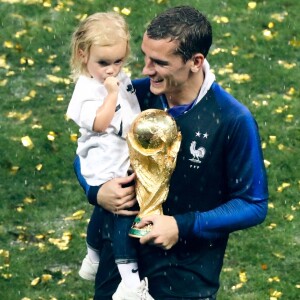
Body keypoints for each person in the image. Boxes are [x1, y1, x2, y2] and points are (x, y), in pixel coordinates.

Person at [74, 6, 268, 300]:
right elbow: (87, 150)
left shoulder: (231, 119)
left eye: (159, 62)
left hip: (184, 279)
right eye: (144, 56)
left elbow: (252, 204)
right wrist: (95, 191)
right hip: (118, 273)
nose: (145, 69)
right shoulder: (134, 95)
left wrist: (182, 225)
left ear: (195, 61)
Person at [66, 12, 154, 299]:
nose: (112, 70)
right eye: (103, 63)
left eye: (118, 61)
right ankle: (130, 285)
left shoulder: (114, 78)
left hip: (118, 159)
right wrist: (112, 94)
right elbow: (101, 122)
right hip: (106, 166)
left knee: (103, 214)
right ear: (83, 55)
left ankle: (92, 256)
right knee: (122, 217)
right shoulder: (87, 90)